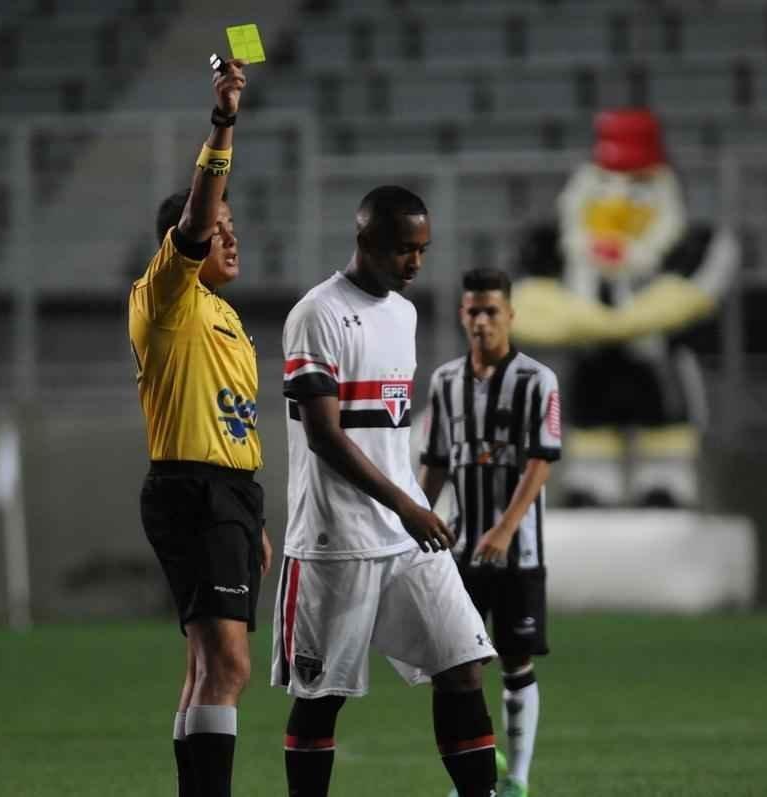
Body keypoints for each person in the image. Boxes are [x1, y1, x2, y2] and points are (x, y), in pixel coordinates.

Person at [273, 185, 499, 797]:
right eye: (404, 249)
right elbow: (323, 434)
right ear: (365, 240)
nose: (416, 263)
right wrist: (405, 503)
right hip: (333, 540)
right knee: (322, 701)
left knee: (464, 664)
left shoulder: (406, 313)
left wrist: (410, 503)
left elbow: (391, 430)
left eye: (423, 249)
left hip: (405, 538)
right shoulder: (316, 315)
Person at [127, 56, 271, 797]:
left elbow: (233, 422)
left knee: (205, 666)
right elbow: (193, 215)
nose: (230, 237)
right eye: (219, 228)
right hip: (193, 486)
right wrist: (223, 122)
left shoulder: (226, 318)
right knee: (231, 666)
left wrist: (254, 518)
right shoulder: (167, 295)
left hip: (228, 492)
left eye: (233, 227)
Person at [419, 267, 561, 797]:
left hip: (519, 551)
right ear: (462, 315)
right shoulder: (444, 383)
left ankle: (518, 779)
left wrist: (504, 527)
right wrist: (414, 520)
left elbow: (541, 462)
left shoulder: (537, 380)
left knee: (516, 659)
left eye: (491, 311)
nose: (481, 321)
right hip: (460, 552)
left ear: (509, 316)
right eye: (473, 311)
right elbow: (434, 463)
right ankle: (479, 773)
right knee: (456, 662)